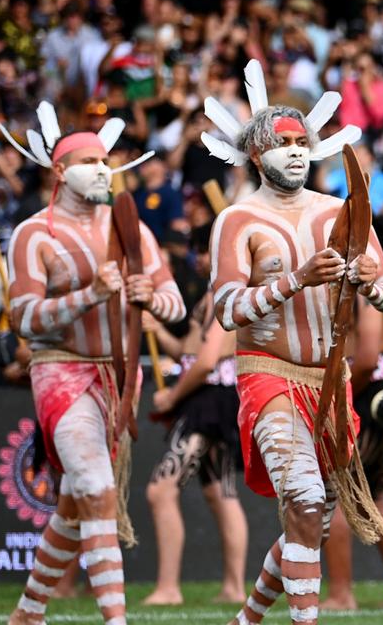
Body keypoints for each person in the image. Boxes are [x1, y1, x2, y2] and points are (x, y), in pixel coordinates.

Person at [202, 63, 383, 625]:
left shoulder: (343, 211)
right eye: (282, 143)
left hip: (329, 379)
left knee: (314, 520)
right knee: (302, 500)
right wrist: (295, 279)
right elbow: (226, 309)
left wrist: (373, 279)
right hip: (267, 372)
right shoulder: (236, 220)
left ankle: (248, 618)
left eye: (303, 142)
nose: (296, 152)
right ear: (256, 156)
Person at [2, 107, 186, 625]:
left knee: (76, 499)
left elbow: (177, 304)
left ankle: (27, 613)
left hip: (120, 377)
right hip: (61, 370)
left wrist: (150, 298)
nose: (103, 169)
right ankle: (115, 621)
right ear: (60, 171)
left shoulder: (131, 229)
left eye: (107, 160)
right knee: (97, 487)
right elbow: (25, 320)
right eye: (89, 161)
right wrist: (90, 294)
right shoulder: (34, 234)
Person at [142, 225, 248, 607]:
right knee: (220, 492)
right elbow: (187, 354)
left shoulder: (227, 296)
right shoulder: (208, 297)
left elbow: (204, 365)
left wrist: (173, 396)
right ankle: (234, 587)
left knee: (161, 489)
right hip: (208, 398)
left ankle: (170, 588)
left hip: (209, 401)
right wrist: (157, 329)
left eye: (205, 251)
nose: (199, 258)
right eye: (197, 251)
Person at [322, 215, 383, 612]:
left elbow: (364, 358)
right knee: (375, 497)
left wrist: (338, 400)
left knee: (339, 495)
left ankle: (342, 593)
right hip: (381, 397)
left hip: (363, 395)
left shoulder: (372, 286)